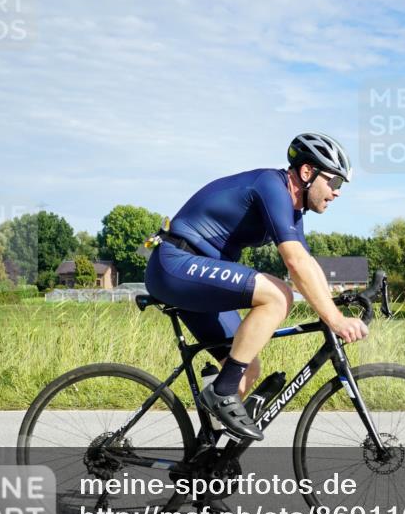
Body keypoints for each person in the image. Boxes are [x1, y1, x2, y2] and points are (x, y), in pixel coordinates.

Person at [143, 133, 368, 441]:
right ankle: (220, 393)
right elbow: (294, 264)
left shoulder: (293, 208)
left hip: (193, 273)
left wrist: (335, 302)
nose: (336, 192)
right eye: (334, 182)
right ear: (307, 173)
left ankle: (203, 464)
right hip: (175, 264)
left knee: (246, 368)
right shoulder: (271, 187)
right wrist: (335, 320)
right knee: (278, 295)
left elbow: (306, 260)